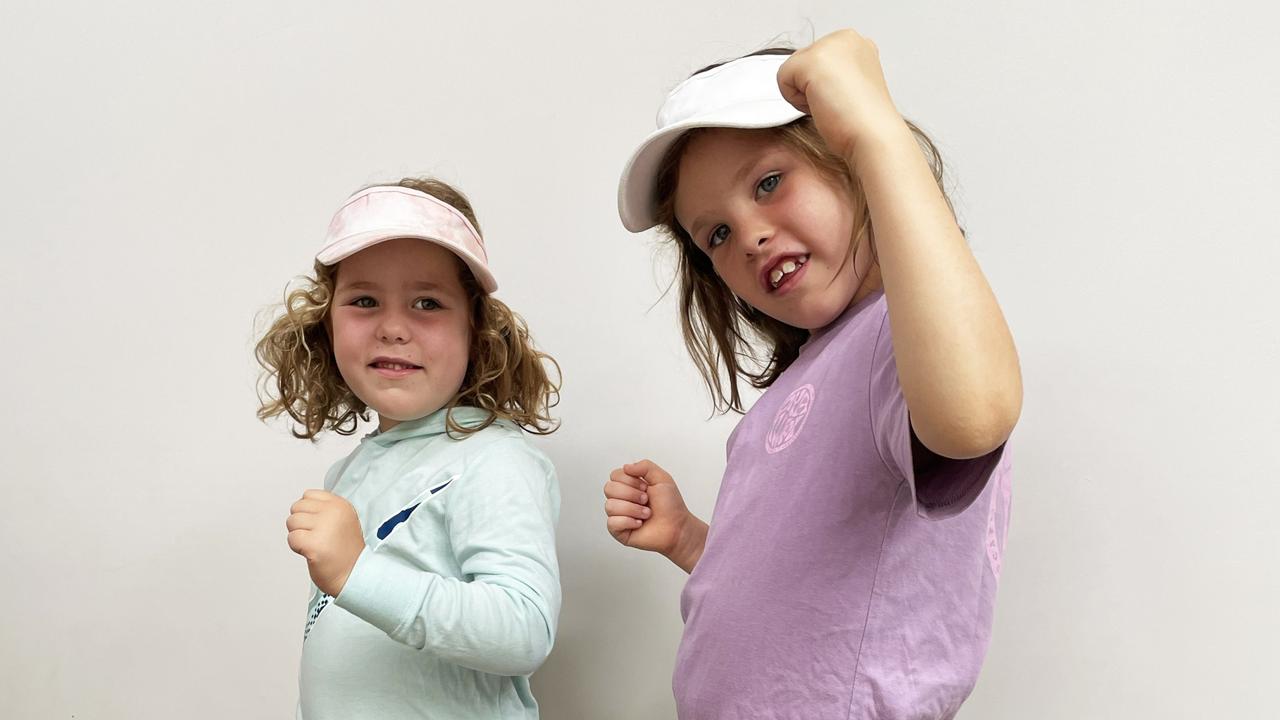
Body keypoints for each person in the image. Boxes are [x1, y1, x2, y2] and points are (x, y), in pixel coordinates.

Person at [604, 30, 1022, 718]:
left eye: (769, 182)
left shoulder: (901, 338)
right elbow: (797, 588)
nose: (750, 235)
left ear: (847, 160)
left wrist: (877, 134)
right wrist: (689, 541)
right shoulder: (795, 389)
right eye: (716, 235)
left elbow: (972, 414)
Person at [257, 177, 561, 719]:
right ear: (327, 325)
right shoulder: (350, 472)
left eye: (427, 302)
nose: (393, 327)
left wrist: (359, 572)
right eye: (364, 300)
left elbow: (524, 628)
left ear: (477, 330)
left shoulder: (493, 460)